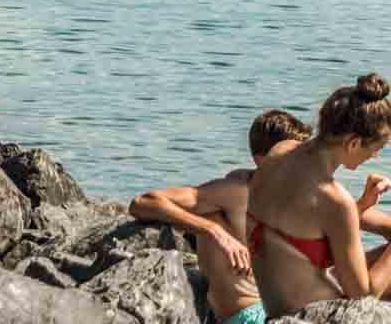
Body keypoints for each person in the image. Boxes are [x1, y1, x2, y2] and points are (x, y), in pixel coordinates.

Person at [131, 111, 312, 324]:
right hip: (251, 316)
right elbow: (142, 202)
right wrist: (213, 230)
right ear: (261, 159)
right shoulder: (238, 191)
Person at [248, 74, 391, 313]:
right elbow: (363, 298)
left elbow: (305, 220)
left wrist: (363, 206)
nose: (374, 157)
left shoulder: (279, 152)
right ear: (353, 143)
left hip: (276, 309)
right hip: (317, 317)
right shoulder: (333, 199)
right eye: (377, 149)